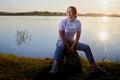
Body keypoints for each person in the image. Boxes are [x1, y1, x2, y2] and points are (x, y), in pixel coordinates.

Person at [50, 6, 106, 74]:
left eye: (71, 12)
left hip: (71, 42)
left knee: (86, 47)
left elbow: (77, 37)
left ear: (75, 13)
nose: (69, 13)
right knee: (61, 46)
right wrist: (68, 48)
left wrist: (72, 47)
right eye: (68, 11)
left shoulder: (78, 22)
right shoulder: (63, 22)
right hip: (61, 41)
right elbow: (61, 36)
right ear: (66, 13)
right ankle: (54, 67)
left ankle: (95, 68)